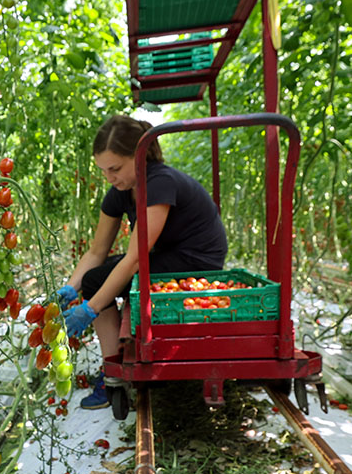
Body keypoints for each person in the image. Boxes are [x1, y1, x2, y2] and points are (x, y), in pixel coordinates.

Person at [58, 115, 228, 409]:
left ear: (139, 155)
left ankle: (112, 374)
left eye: (115, 168)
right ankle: (113, 367)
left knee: (99, 282)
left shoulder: (158, 182)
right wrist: (69, 290)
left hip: (197, 262)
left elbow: (136, 258)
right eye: (103, 170)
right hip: (166, 256)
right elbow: (96, 252)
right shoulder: (121, 191)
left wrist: (91, 307)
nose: (110, 177)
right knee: (95, 276)